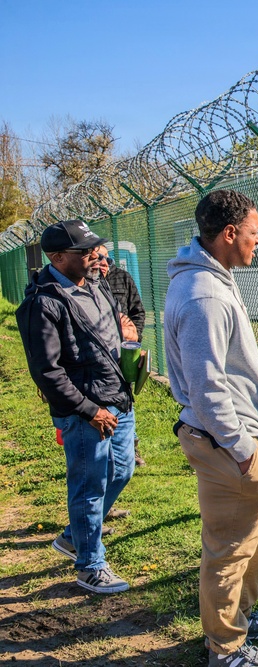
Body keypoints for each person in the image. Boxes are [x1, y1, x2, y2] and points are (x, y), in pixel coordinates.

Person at [164, 190, 258, 667]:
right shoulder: (205, 295)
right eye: (254, 233)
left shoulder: (215, 277)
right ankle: (227, 649)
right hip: (227, 440)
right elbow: (207, 385)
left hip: (246, 436)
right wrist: (239, 448)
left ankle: (238, 613)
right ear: (230, 233)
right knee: (230, 548)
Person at [15, 219, 136, 594]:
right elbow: (47, 372)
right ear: (56, 257)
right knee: (89, 486)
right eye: (83, 252)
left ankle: (73, 536)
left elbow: (114, 330)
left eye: (93, 249)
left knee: (121, 472)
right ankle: (90, 565)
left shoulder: (97, 285)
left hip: (117, 398)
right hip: (87, 411)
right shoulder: (43, 303)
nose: (93, 256)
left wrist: (127, 332)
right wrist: (88, 409)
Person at [95, 244, 147, 467]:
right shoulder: (84, 287)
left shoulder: (122, 278)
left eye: (108, 258)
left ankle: (130, 447)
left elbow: (138, 312)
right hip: (99, 357)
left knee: (125, 399)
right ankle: (105, 451)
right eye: (98, 258)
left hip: (124, 351)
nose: (104, 263)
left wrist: (133, 340)